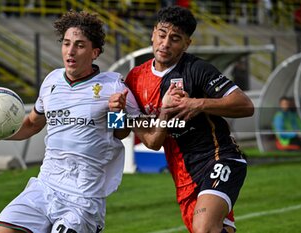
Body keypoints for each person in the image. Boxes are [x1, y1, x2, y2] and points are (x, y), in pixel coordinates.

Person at [0, 10, 142, 233]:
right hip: (44, 187)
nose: (70, 51)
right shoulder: (51, 80)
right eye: (66, 43)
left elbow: (122, 134)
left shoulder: (114, 86)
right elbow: (32, 124)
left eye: (80, 45)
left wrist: (118, 112)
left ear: (95, 52)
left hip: (83, 197)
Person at [109, 6, 254, 233]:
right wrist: (116, 113)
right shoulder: (135, 78)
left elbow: (245, 105)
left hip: (218, 157)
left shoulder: (197, 70)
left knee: (204, 227)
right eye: (162, 34)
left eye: (175, 38)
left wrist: (197, 103)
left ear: (186, 44)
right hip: (183, 172)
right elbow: (144, 139)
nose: (166, 43)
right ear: (153, 33)